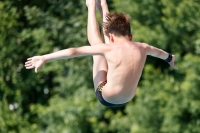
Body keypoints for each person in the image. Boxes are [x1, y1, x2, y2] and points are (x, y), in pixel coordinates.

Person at [25, 0, 178, 107]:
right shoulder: (144, 47)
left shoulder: (109, 48)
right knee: (105, 50)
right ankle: (102, 5)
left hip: (106, 96)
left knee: (98, 49)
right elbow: (162, 54)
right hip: (126, 99)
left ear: (111, 37)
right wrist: (171, 59)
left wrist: (45, 57)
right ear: (130, 37)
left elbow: (74, 51)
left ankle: (92, 5)